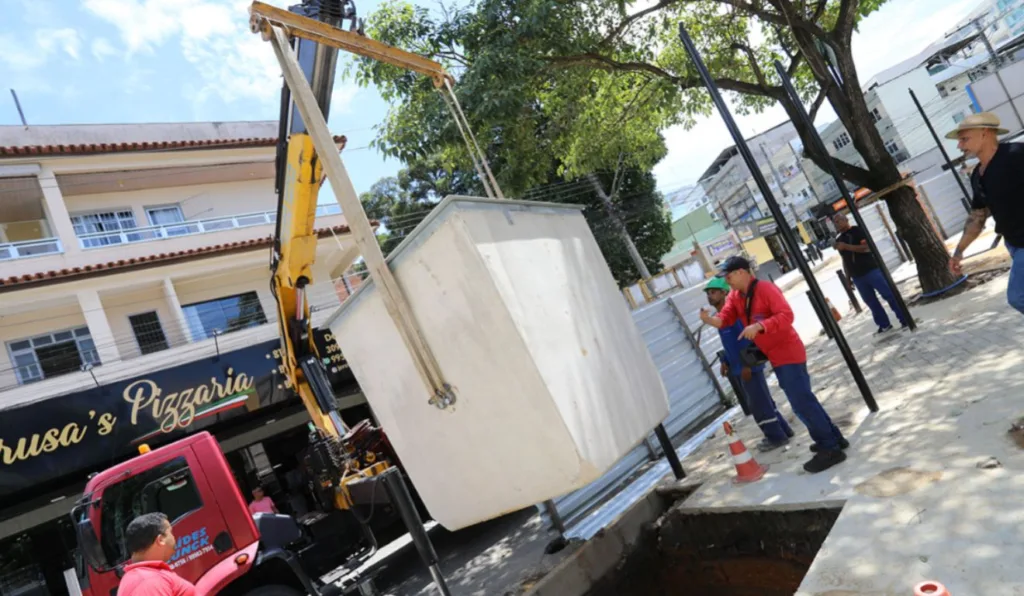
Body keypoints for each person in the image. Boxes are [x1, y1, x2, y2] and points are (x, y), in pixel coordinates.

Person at [700, 256, 849, 473]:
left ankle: (830, 449)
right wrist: (710, 320)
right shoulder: (735, 296)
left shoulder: (765, 289)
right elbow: (725, 318)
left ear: (742, 272)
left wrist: (760, 326)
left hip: (788, 351)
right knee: (804, 399)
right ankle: (834, 437)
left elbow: (787, 315)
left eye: (729, 276)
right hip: (775, 355)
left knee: (801, 402)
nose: (727, 281)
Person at [704, 276, 794, 452]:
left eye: (713, 292)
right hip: (738, 366)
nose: (709, 296)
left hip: (748, 366)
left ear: (724, 293)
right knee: (763, 401)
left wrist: (747, 366)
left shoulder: (735, 316)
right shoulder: (720, 318)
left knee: (758, 404)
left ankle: (775, 437)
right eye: (708, 293)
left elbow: (747, 341)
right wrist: (724, 361)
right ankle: (783, 430)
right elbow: (729, 343)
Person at [946, 112, 1024, 313]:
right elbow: (977, 218)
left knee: (1018, 297)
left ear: (985, 133)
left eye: (964, 139)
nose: (960, 146)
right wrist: (958, 252)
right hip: (1014, 243)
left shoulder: (1016, 155)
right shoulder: (977, 176)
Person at [833, 213, 909, 333]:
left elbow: (867, 247)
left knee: (888, 294)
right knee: (871, 302)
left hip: (871, 270)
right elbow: (845, 260)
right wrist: (848, 279)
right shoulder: (839, 240)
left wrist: (846, 246)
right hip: (857, 276)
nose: (836, 224)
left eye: (838, 221)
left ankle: (904, 318)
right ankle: (884, 325)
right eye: (835, 222)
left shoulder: (857, 231)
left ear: (846, 220)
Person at [117, 512, 196, 596]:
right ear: (160, 540)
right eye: (171, 532)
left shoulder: (144, 576)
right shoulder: (147, 581)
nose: (173, 537)